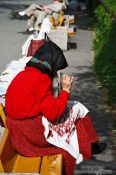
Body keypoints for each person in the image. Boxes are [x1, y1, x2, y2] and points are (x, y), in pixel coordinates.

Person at [5, 41, 106, 175]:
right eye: (56, 68)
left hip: (17, 130)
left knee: (73, 109)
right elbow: (53, 114)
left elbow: (41, 105)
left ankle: (90, 146)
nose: (55, 72)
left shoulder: (23, 74)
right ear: (51, 65)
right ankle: (87, 153)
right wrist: (65, 90)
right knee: (69, 138)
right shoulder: (41, 78)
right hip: (30, 133)